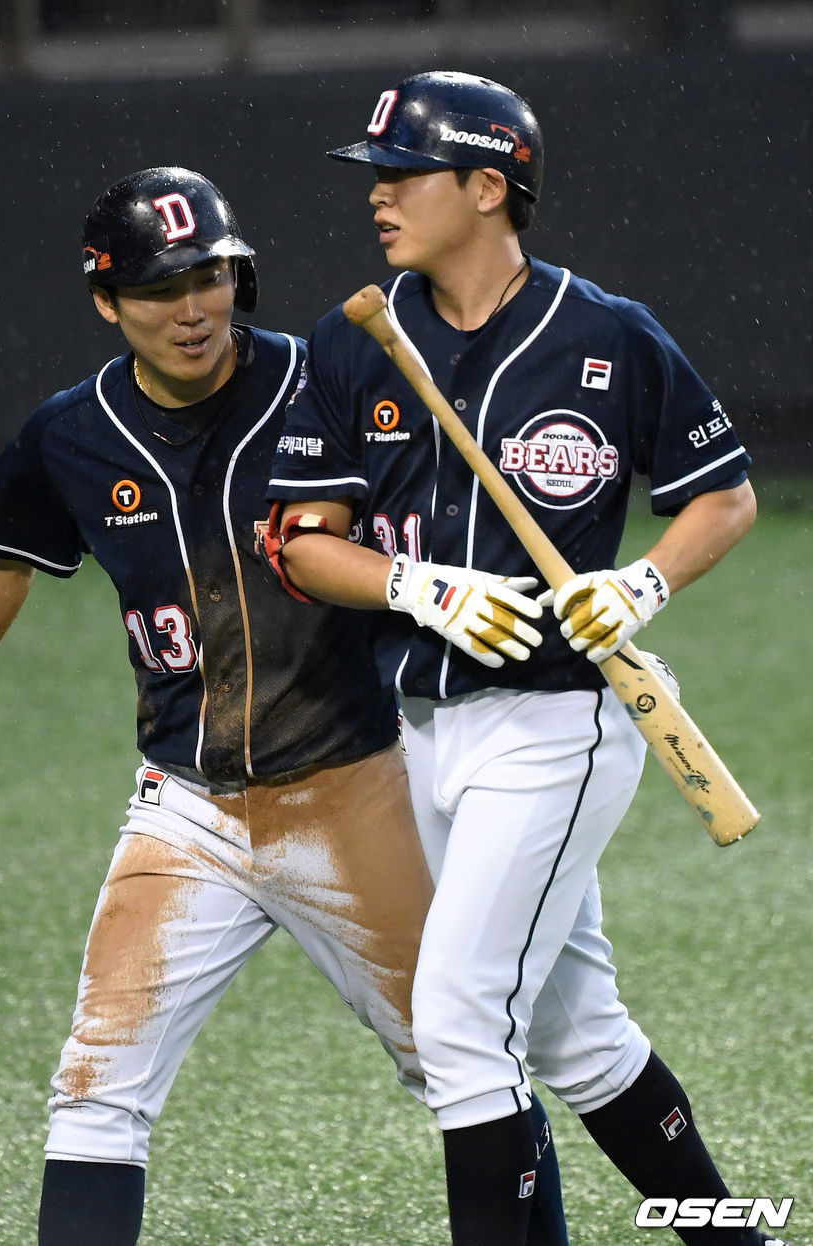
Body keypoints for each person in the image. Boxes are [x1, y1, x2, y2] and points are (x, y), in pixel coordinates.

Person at [0, 166, 570, 1246]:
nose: (192, 308)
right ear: (107, 303)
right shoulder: (72, 432)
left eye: (211, 277)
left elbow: (454, 507)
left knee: (465, 1063)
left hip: (356, 786)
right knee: (96, 1089)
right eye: (159, 288)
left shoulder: (320, 379)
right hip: (184, 808)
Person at [264, 72, 785, 1246]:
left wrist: (640, 581)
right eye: (375, 175)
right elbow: (303, 545)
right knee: (573, 1034)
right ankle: (732, 1238)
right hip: (416, 729)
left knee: (456, 1019)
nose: (379, 194)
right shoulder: (355, 342)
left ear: (487, 187)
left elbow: (724, 496)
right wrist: (418, 585)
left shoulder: (603, 333)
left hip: (555, 727)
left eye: (403, 173)